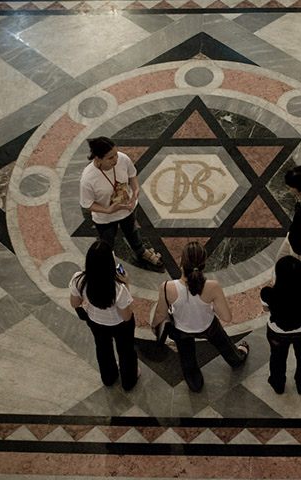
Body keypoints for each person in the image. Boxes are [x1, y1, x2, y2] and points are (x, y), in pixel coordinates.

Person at [151, 242, 249, 392]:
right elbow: (227, 317)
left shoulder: (167, 287)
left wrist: (154, 326)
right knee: (224, 344)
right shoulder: (212, 286)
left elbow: (160, 313)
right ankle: (236, 359)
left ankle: (195, 382)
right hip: (208, 327)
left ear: (181, 262)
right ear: (204, 264)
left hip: (182, 331)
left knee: (187, 358)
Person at [79, 136, 163, 267]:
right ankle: (109, 263)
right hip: (105, 217)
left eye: (116, 154)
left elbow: (132, 176)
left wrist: (135, 190)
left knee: (132, 231)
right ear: (98, 158)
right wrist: (108, 210)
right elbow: (87, 204)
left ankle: (141, 251)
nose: (116, 159)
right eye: (110, 158)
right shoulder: (88, 179)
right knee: (107, 241)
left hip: (127, 208)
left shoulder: (122, 159)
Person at [69, 240, 139, 391]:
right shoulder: (118, 289)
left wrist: (87, 297)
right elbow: (126, 316)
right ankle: (129, 380)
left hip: (95, 321)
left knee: (102, 348)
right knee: (126, 351)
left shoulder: (78, 280)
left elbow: (74, 303)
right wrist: (126, 284)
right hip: (119, 324)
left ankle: (108, 377)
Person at [261, 255, 301, 395]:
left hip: (277, 333)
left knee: (277, 357)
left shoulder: (268, 293)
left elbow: (266, 309)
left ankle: (278, 385)